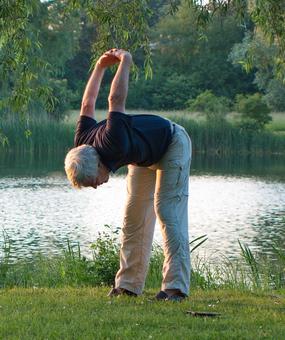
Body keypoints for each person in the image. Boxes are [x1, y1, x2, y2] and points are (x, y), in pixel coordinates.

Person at [65, 49, 192, 301]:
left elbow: (115, 99)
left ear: (99, 165)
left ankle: (175, 288)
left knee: (167, 211)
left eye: (93, 183)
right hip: (142, 156)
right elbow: (87, 104)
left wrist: (125, 61)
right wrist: (100, 66)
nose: (97, 187)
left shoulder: (112, 142)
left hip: (172, 143)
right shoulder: (82, 143)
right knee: (133, 217)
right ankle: (128, 285)